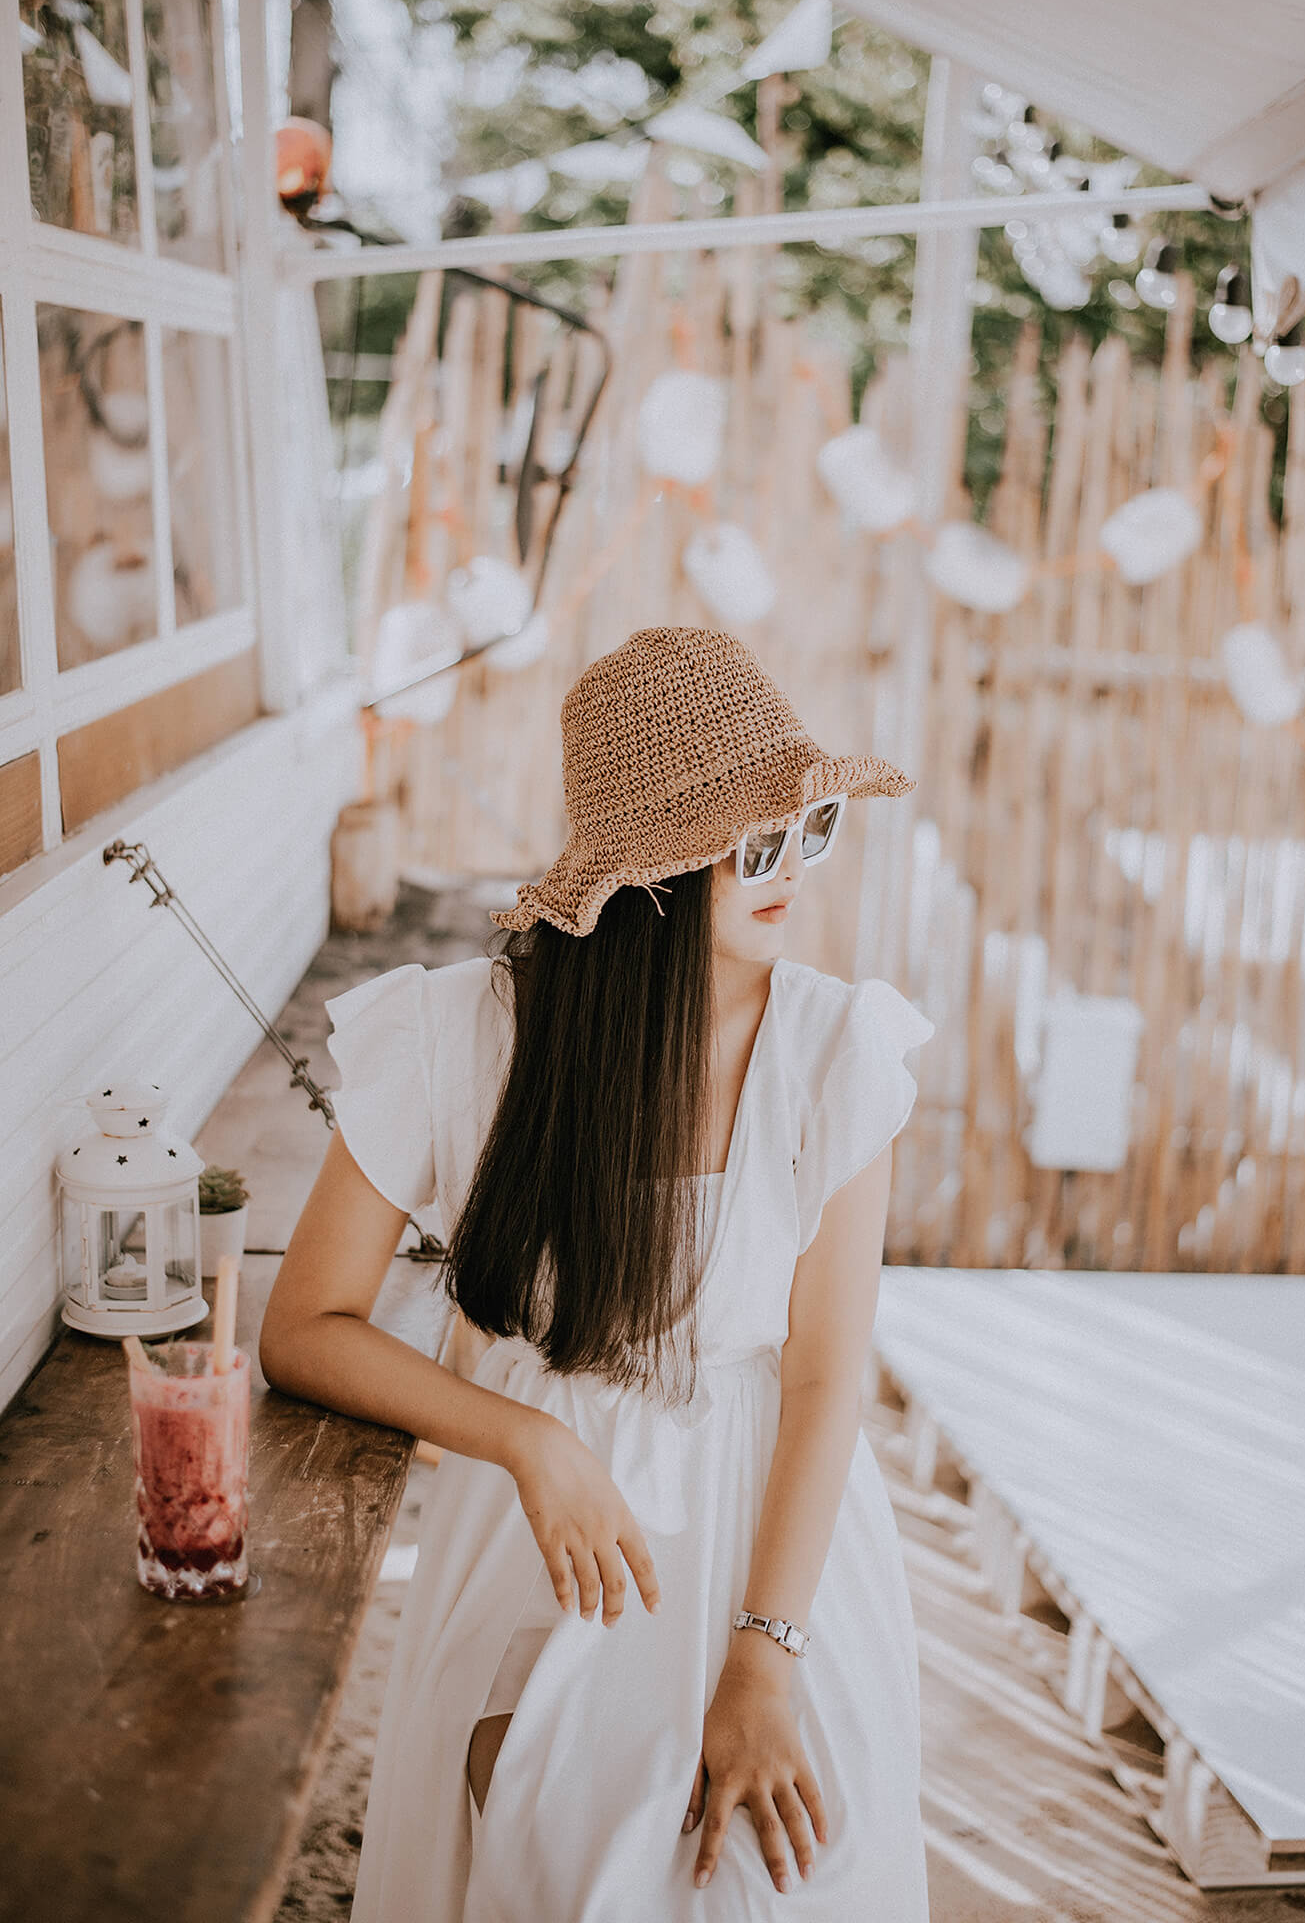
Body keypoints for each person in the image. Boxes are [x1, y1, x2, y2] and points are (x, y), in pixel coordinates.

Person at [260, 624, 935, 1921]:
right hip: (548, 1548)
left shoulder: (835, 1049)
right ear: (654, 871)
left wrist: (762, 1660)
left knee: (781, 1888)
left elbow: (823, 1376)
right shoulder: (465, 1036)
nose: (793, 868)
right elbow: (306, 1325)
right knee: (566, 1871)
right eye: (753, 843)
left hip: (778, 1552)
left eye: (813, 827)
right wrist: (525, 1440)